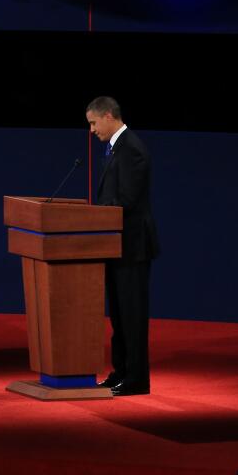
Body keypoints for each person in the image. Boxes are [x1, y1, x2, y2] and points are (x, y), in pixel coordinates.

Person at [86, 96, 159, 396]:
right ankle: (121, 372)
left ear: (107, 115)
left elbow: (127, 200)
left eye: (93, 123)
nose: (91, 130)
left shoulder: (132, 149)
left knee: (132, 315)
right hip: (115, 245)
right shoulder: (116, 147)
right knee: (118, 314)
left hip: (132, 246)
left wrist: (97, 215)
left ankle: (137, 379)